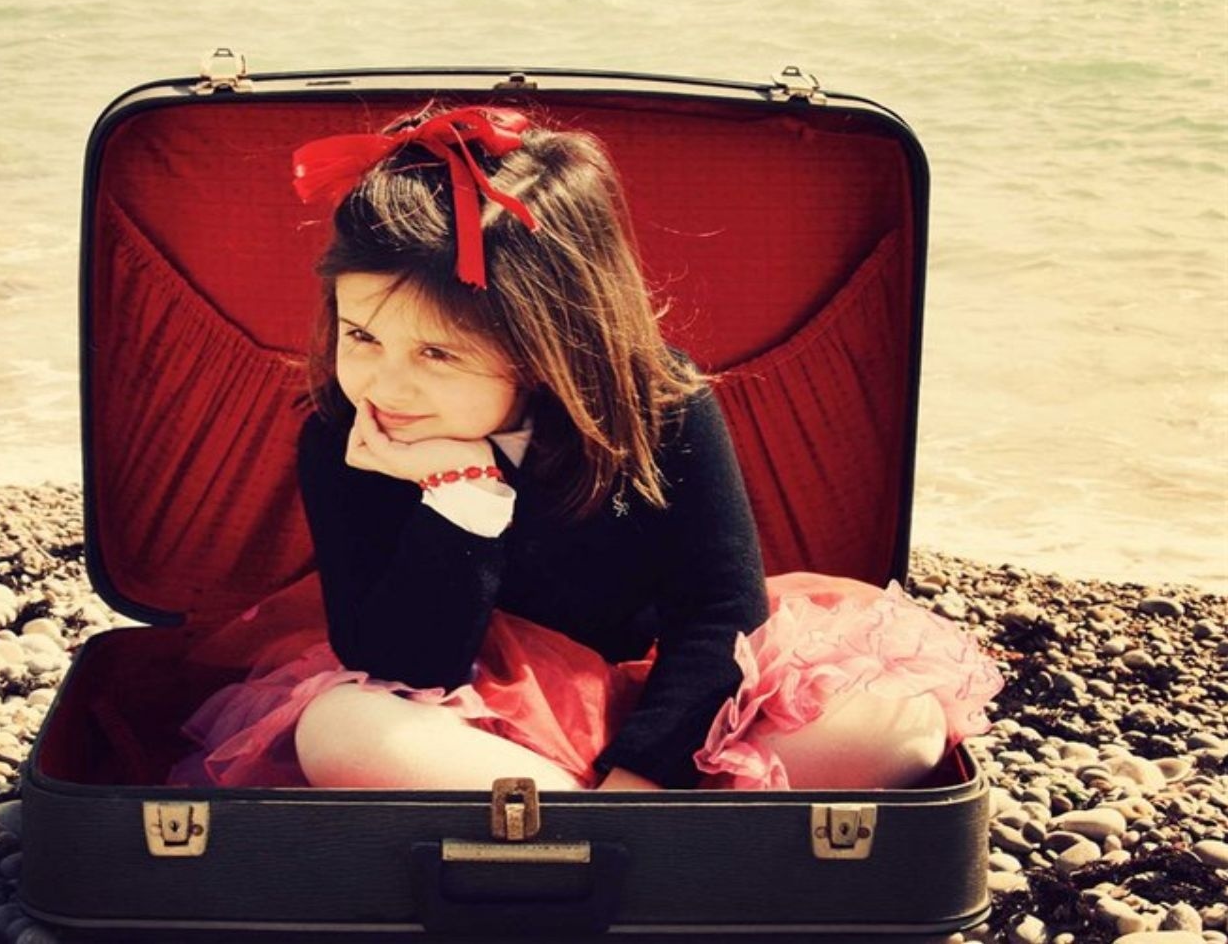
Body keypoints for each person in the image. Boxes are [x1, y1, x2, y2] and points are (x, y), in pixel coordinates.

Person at [167, 105, 1001, 792]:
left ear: (544, 347)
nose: (386, 382)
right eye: (362, 336)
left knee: (901, 721)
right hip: (474, 722)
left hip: (675, 705)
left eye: (437, 353)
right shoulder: (345, 436)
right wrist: (463, 494)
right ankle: (635, 841)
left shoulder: (657, 402)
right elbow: (404, 664)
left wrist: (642, 779)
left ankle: (621, 830)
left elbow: (718, 615)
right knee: (339, 728)